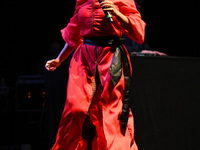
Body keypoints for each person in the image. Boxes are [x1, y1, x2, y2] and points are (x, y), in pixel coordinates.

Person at [45, 0, 145, 149]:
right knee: (76, 109)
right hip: (84, 58)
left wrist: (117, 13)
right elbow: (74, 33)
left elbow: (139, 33)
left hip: (111, 57)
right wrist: (59, 59)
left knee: (111, 112)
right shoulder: (82, 2)